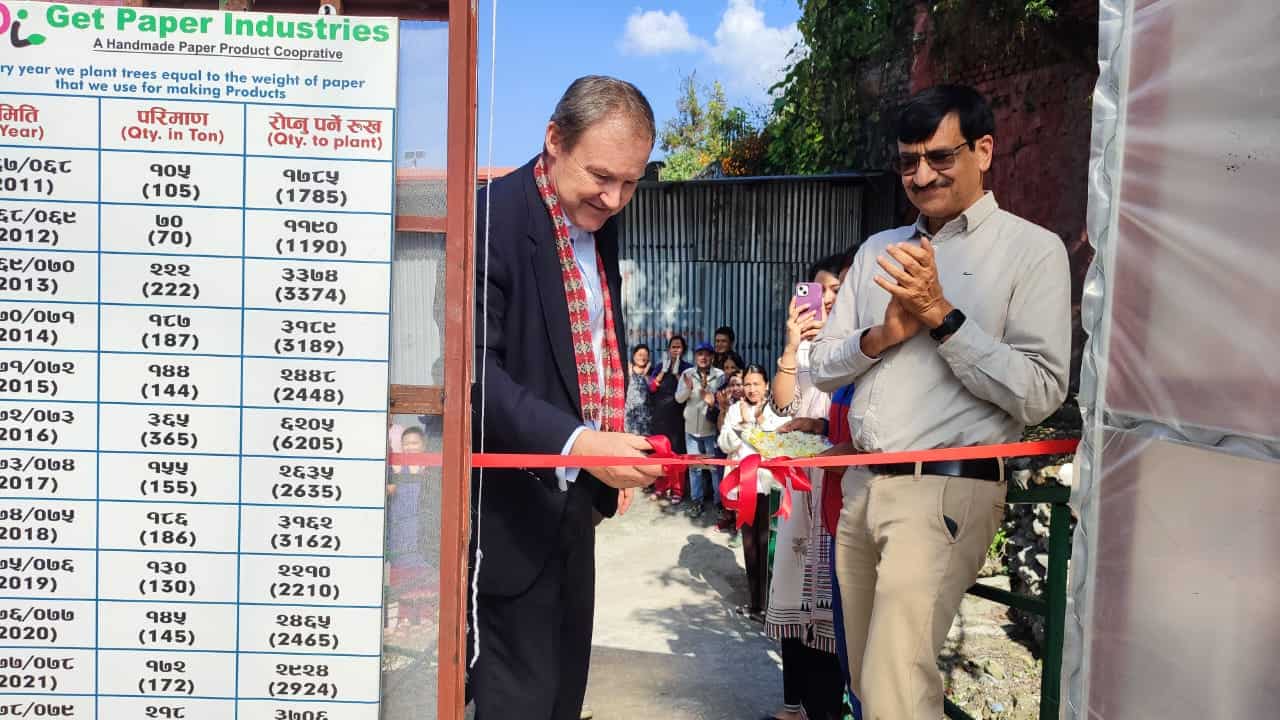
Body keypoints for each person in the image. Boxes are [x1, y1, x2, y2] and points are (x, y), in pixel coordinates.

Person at [810, 84, 1070, 719]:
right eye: (907, 161)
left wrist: (942, 317)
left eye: (939, 156)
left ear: (983, 150)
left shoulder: (1031, 250)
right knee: (871, 687)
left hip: (947, 489)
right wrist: (882, 337)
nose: (921, 175)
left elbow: (1040, 392)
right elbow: (820, 365)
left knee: (896, 686)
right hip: (864, 487)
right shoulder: (877, 250)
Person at [469, 75, 664, 720]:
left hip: (574, 508)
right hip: (507, 515)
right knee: (514, 701)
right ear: (553, 140)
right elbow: (471, 373)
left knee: (562, 697)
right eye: (601, 176)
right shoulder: (494, 218)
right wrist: (581, 443)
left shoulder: (596, 225)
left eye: (631, 182)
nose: (613, 198)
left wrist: (609, 444)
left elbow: (596, 349)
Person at [762, 253, 849, 720]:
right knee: (794, 593)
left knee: (831, 603)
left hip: (840, 481)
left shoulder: (861, 342)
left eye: (838, 289)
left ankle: (826, 708)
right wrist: (792, 346)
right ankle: (795, 705)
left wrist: (819, 424)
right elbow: (782, 404)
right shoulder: (807, 350)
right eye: (822, 290)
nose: (830, 297)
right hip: (801, 488)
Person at [717, 363, 789, 620]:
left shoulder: (776, 411)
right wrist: (742, 428)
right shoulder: (735, 409)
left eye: (757, 383)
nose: (751, 389)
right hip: (744, 487)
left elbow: (780, 446)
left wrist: (756, 427)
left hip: (770, 486)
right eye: (747, 384)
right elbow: (724, 443)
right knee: (749, 545)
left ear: (767, 385)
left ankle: (773, 604)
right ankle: (755, 603)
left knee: (768, 543)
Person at [674, 342, 725, 518]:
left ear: (712, 357)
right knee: (694, 468)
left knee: (714, 469)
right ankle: (697, 501)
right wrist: (687, 389)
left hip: (710, 430)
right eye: (700, 354)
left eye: (707, 354)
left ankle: (719, 502)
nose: (703, 357)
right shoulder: (687, 375)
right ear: (695, 357)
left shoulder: (720, 376)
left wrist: (712, 398)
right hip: (690, 430)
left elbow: (724, 401)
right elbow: (679, 399)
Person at [647, 335, 692, 502]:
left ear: (684, 350)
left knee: (677, 453)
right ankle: (661, 487)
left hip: (678, 415)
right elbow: (651, 388)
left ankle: (677, 491)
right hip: (660, 415)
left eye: (679, 347)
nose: (676, 350)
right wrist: (663, 372)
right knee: (660, 451)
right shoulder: (660, 366)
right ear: (668, 349)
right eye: (673, 347)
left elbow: (690, 390)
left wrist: (675, 374)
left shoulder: (688, 368)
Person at [625, 344, 654, 436]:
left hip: (646, 416)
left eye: (645, 355)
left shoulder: (652, 371)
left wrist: (646, 373)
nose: (642, 357)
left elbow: (652, 388)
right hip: (631, 414)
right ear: (634, 356)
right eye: (640, 354)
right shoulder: (628, 370)